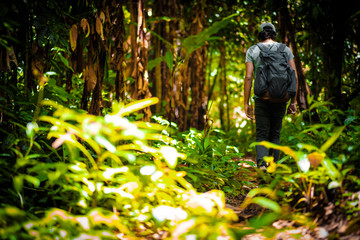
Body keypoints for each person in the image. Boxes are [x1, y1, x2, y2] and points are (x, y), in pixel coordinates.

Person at [244, 22, 298, 169]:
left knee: (262, 134)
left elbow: (248, 77)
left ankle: (262, 166)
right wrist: (293, 101)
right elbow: (294, 75)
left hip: (262, 98)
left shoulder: (253, 50)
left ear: (260, 34)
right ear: (274, 33)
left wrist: (246, 103)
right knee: (275, 134)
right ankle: (273, 168)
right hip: (281, 97)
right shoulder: (285, 49)